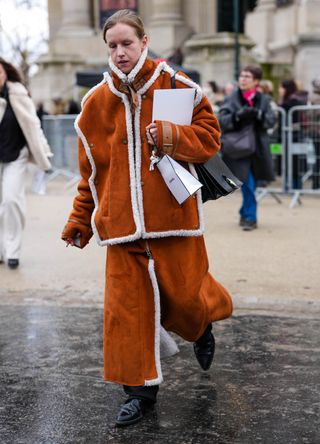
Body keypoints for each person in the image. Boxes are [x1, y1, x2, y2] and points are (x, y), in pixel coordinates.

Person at [61, 9, 232, 427]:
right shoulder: (93, 105)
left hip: (174, 219)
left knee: (186, 301)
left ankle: (202, 324)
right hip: (120, 228)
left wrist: (173, 136)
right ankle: (139, 394)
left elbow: (210, 141)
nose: (120, 53)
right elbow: (92, 176)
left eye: (127, 43)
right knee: (127, 314)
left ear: (144, 41)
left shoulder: (179, 86)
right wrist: (80, 220)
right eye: (112, 46)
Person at [0, 58, 53, 269]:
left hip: (16, 155)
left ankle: (12, 251)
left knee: (12, 200)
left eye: (0, 72)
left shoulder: (19, 93)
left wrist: (44, 150)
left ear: (6, 73)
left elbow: (33, 124)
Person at [218, 65, 276, 231]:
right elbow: (221, 120)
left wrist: (259, 115)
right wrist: (237, 116)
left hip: (258, 149)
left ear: (256, 81)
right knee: (248, 183)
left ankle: (244, 211)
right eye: (242, 76)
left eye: (247, 76)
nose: (242, 79)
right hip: (238, 148)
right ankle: (251, 218)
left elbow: (271, 121)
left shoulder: (263, 99)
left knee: (254, 183)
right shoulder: (231, 98)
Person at [278, 79, 308, 189]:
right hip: (286, 136)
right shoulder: (286, 101)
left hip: (294, 136)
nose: (279, 90)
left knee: (295, 163)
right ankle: (288, 185)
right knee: (286, 161)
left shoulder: (293, 102)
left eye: (281, 87)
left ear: (287, 88)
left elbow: (295, 121)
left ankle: (295, 186)